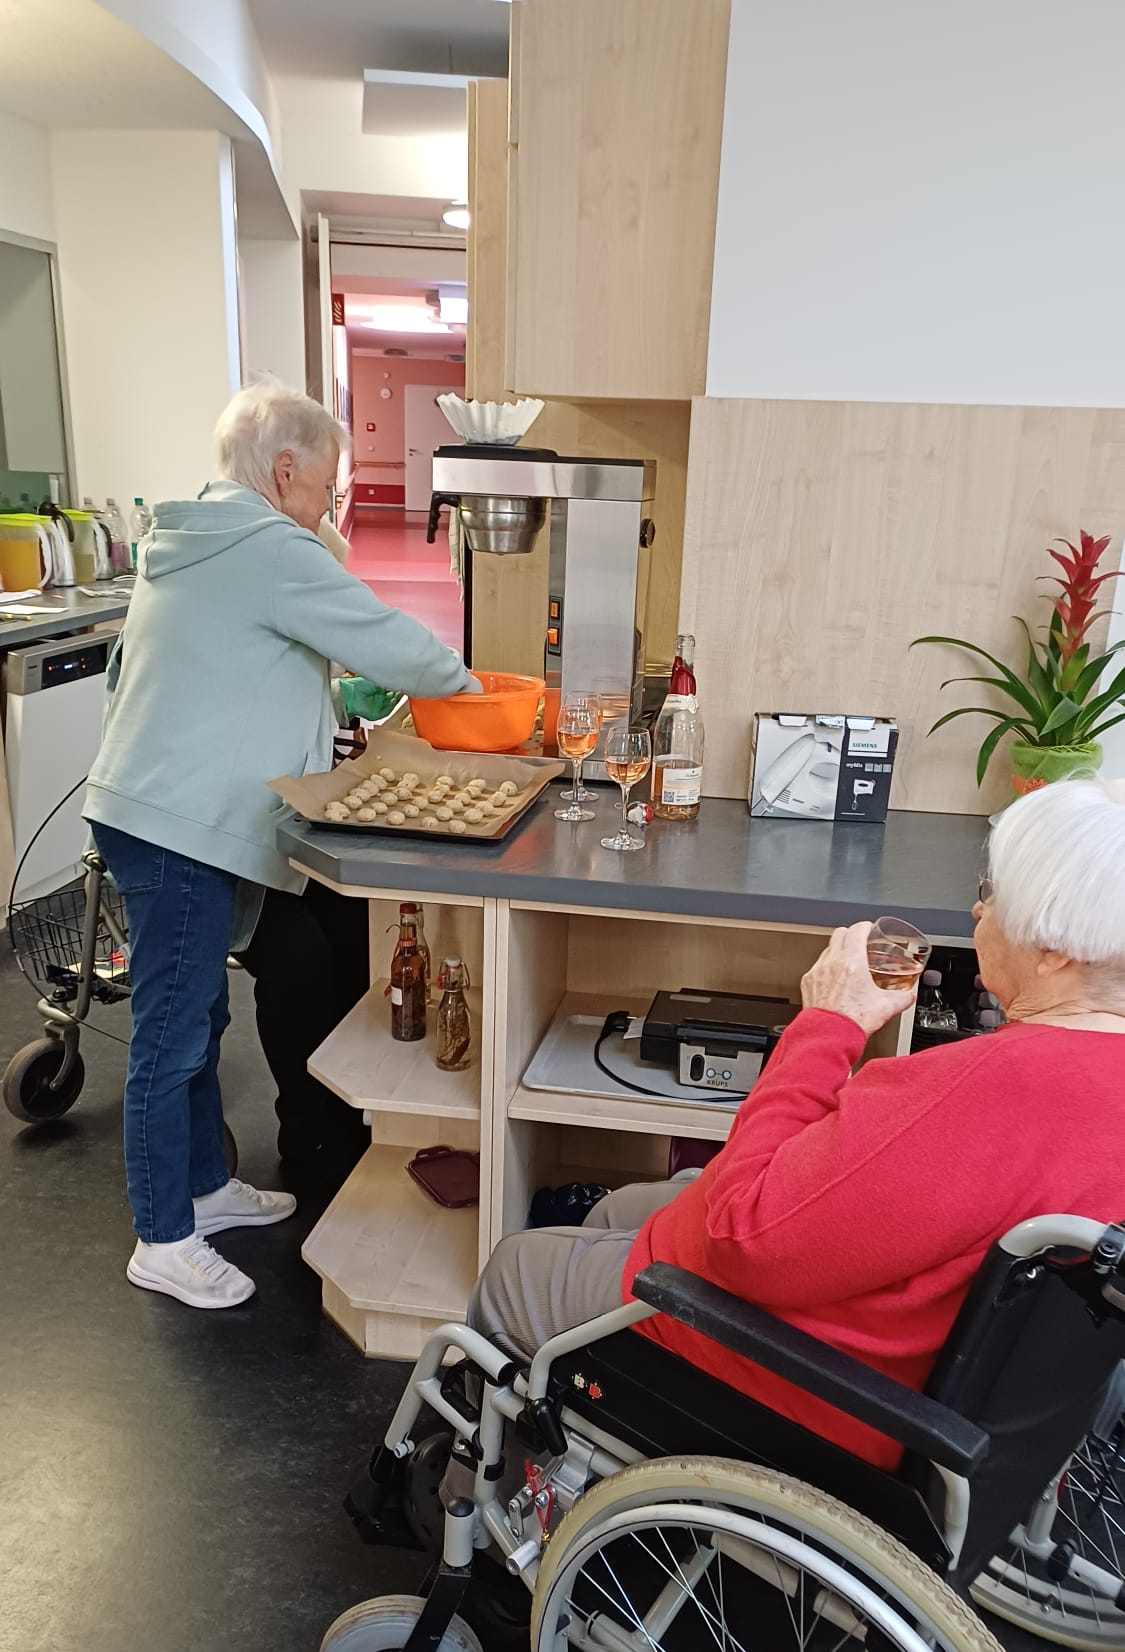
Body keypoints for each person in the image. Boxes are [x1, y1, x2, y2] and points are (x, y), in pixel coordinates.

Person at [470, 777, 1125, 1468]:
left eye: (993, 895)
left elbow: (741, 1235)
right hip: (926, 1378)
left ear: (1055, 951)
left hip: (810, 1391)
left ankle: (473, 1494)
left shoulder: (982, 1089)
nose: (976, 908)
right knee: (616, 1210)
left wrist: (827, 1024)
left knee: (513, 1268)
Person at [84, 379, 479, 1310]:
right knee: (172, 1035)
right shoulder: (265, 546)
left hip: (156, 809)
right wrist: (474, 692)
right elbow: (384, 639)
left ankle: (202, 1189)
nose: (332, 504)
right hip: (177, 825)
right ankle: (163, 1238)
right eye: (329, 485)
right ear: (285, 469)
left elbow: (222, 668)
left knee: (198, 1020)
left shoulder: (194, 538)